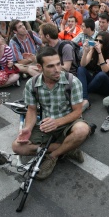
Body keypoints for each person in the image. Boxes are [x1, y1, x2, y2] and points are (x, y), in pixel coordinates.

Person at [11, 46, 91, 180]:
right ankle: (69, 148)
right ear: (39, 67)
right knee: (17, 147)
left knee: (83, 130)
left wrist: (57, 122)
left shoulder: (72, 81)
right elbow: (31, 110)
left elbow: (77, 112)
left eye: (58, 64)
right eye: (50, 66)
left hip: (68, 122)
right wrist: (28, 129)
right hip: (45, 124)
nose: (57, 69)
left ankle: (53, 156)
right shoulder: (32, 84)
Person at [77, 31, 109, 112]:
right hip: (94, 82)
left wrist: (99, 52)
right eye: (96, 40)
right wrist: (86, 51)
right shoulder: (93, 51)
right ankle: (85, 99)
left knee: (101, 74)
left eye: (100, 41)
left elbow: (105, 70)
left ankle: (80, 92)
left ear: (106, 43)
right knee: (80, 69)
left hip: (106, 85)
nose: (98, 43)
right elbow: (83, 65)